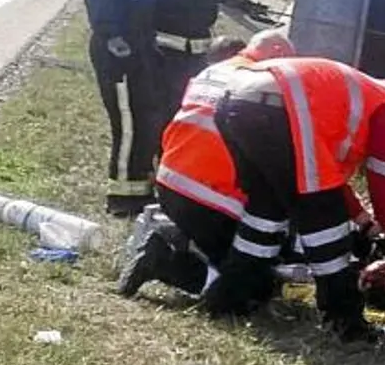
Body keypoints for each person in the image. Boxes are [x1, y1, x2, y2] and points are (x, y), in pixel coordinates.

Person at [197, 55, 385, 339]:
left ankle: (229, 298)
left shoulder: (349, 96)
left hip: (236, 101)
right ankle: (344, 319)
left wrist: (361, 217)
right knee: (324, 218)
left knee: (266, 211)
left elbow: (328, 176)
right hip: (278, 110)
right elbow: (382, 181)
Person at [121, 27, 296, 303]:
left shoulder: (213, 71)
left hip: (170, 181)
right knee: (254, 286)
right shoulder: (263, 85)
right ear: (276, 52)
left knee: (228, 248)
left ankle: (181, 239)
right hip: (214, 196)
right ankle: (165, 261)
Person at [81, 0, 171, 218]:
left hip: (140, 44)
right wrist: (116, 39)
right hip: (118, 49)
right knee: (130, 123)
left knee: (146, 118)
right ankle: (123, 198)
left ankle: (140, 186)